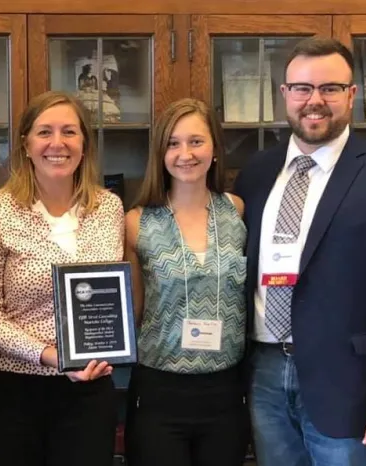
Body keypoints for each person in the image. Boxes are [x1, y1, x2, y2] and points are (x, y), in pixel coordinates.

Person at [233, 37, 366, 466]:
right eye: (302, 88)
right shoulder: (256, 173)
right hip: (264, 372)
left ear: (352, 95)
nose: (314, 101)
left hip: (351, 385)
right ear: (284, 94)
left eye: (330, 88)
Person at [0, 90, 124, 466]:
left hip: (89, 390)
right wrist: (54, 358)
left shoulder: (109, 209)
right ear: (25, 143)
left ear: (84, 143)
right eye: (45, 132)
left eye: (69, 132)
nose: (58, 143)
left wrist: (97, 355)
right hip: (9, 394)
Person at [123, 98, 249, 466]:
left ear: (214, 149)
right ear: (160, 153)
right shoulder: (137, 222)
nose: (185, 154)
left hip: (225, 391)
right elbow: (134, 310)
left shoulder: (236, 210)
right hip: (160, 391)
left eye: (196, 141)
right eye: (173, 143)